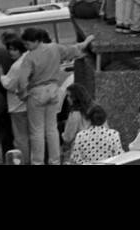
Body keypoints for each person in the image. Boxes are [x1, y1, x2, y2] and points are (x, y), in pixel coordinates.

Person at [21, 27, 94, 165]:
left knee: (37, 131)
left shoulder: (29, 58)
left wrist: (23, 94)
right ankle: (54, 161)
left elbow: (22, 81)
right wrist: (86, 41)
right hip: (53, 91)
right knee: (52, 129)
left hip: (36, 93)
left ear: (36, 41)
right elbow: (73, 50)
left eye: (28, 44)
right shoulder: (54, 48)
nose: (26, 47)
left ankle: (38, 162)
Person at [0, 35, 31, 163]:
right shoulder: (29, 59)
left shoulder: (17, 66)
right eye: (10, 49)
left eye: (14, 49)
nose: (11, 52)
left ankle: (24, 161)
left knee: (21, 138)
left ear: (20, 49)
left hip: (17, 107)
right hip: (29, 104)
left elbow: (9, 84)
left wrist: (0, 74)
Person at [60, 83, 92, 164]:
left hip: (78, 153)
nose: (67, 99)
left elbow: (68, 137)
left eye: (69, 96)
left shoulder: (74, 114)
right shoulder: (94, 110)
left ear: (75, 98)